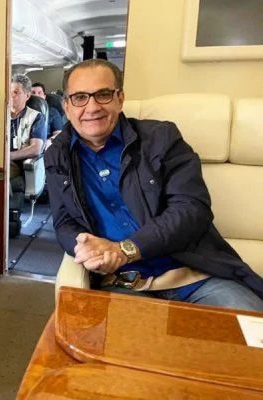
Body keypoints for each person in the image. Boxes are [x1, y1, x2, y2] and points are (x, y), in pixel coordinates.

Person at [46, 58, 263, 311]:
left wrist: (126, 250)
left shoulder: (161, 138)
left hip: (195, 275)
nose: (92, 107)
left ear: (120, 98)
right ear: (66, 106)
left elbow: (192, 209)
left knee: (250, 331)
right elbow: (64, 222)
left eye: (103, 95)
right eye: (80, 97)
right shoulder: (57, 155)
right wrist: (86, 250)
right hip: (123, 283)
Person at [10, 75, 47, 180]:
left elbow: (36, 149)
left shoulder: (36, 117)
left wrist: (10, 156)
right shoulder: (0, 115)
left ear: (27, 95)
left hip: (19, 164)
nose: (11, 95)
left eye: (16, 92)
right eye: (9, 91)